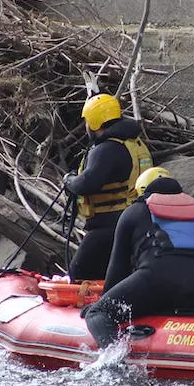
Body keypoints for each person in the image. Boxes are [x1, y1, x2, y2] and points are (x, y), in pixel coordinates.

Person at [84, 167, 194, 348]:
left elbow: (117, 266)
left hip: (153, 281)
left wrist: (106, 301)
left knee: (97, 312)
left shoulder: (134, 212)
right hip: (193, 289)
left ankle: (112, 362)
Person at [63, 93, 153, 280]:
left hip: (107, 229)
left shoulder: (106, 150)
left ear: (94, 123)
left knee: (77, 276)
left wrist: (69, 180)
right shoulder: (133, 143)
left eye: (87, 122)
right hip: (135, 224)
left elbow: (87, 183)